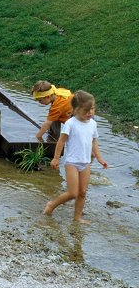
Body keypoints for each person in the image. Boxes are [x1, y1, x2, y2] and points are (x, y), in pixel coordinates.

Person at [43, 90, 107, 223]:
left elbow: (93, 142)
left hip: (85, 163)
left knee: (83, 192)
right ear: (76, 109)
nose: (90, 113)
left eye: (92, 109)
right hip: (72, 162)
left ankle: (77, 217)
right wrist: (55, 158)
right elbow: (61, 141)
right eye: (87, 110)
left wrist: (100, 158)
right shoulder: (70, 123)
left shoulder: (93, 124)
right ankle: (51, 205)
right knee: (73, 193)